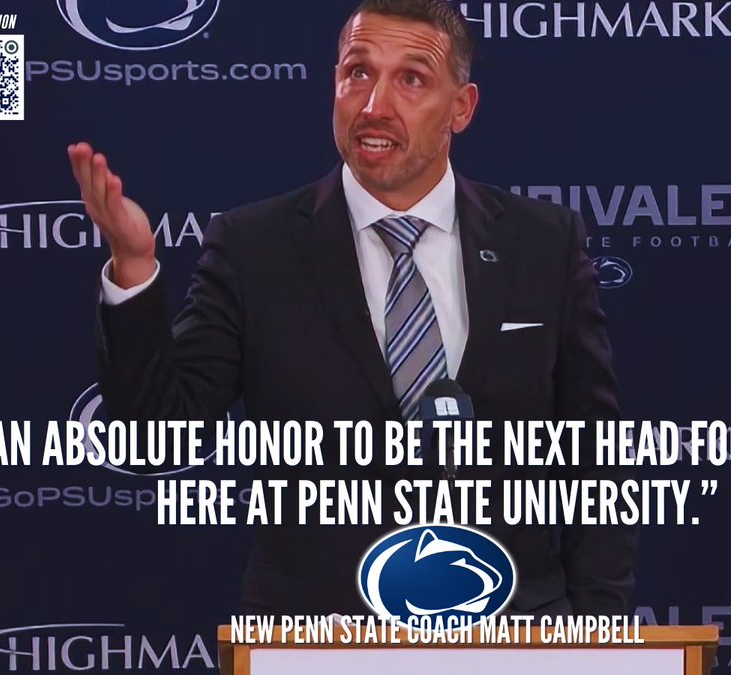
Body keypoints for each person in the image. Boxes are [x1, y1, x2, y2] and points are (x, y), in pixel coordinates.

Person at [67, 0, 635, 617]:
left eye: (410, 79)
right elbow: (154, 441)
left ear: (461, 108)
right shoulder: (255, 246)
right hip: (317, 636)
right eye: (357, 73)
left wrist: (595, 634)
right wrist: (133, 268)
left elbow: (594, 461)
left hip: (512, 630)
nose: (373, 106)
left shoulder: (544, 243)